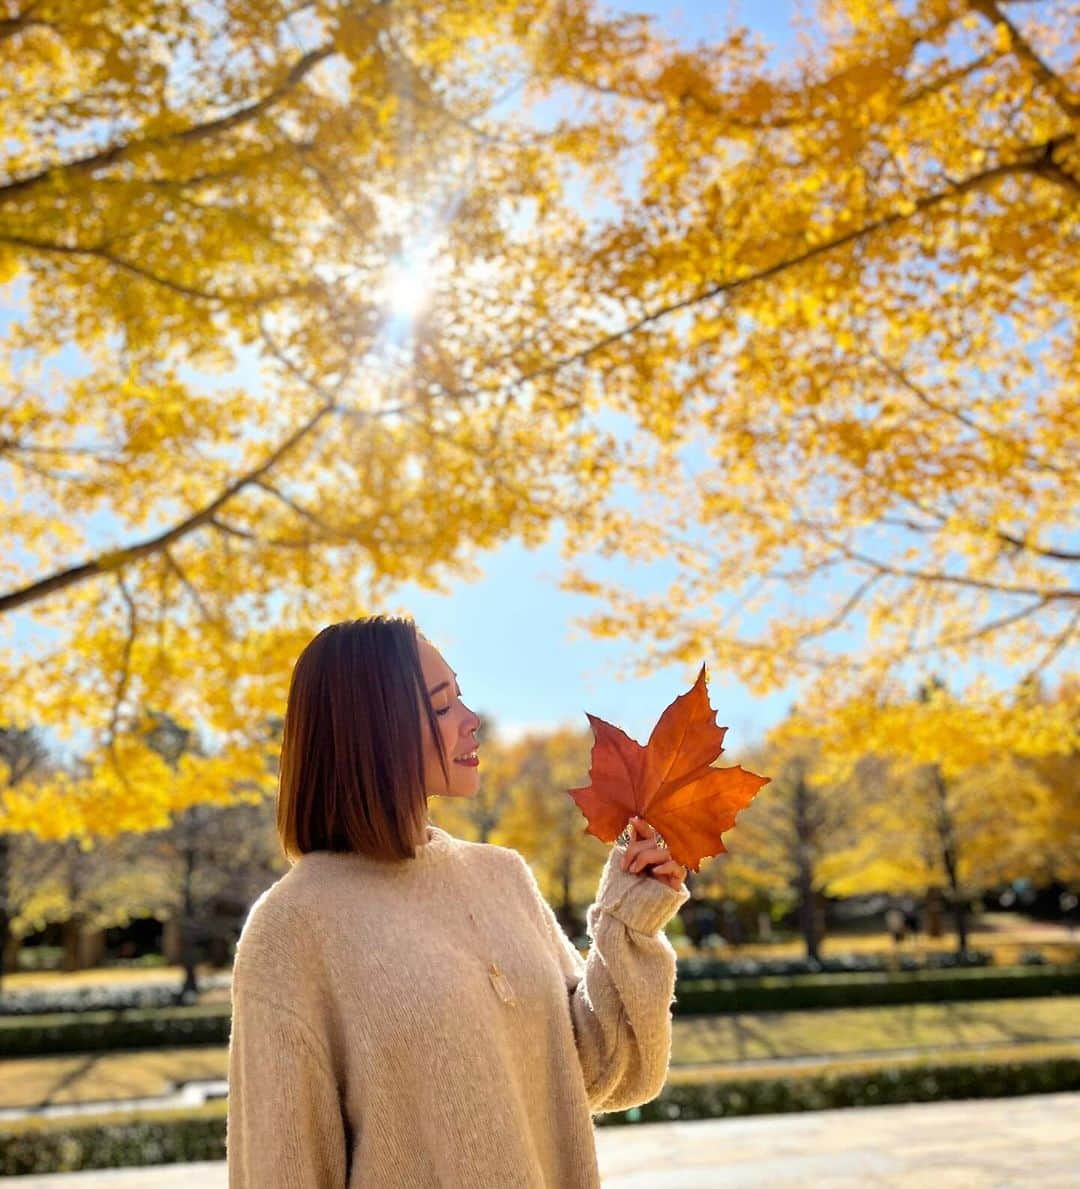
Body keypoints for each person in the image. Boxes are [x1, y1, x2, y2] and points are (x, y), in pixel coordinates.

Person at [226, 615, 689, 1188]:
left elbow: (600, 1073)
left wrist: (628, 918)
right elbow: (282, 1170)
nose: (472, 722)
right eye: (442, 707)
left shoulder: (501, 877)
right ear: (374, 728)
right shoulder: (293, 926)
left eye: (461, 698)